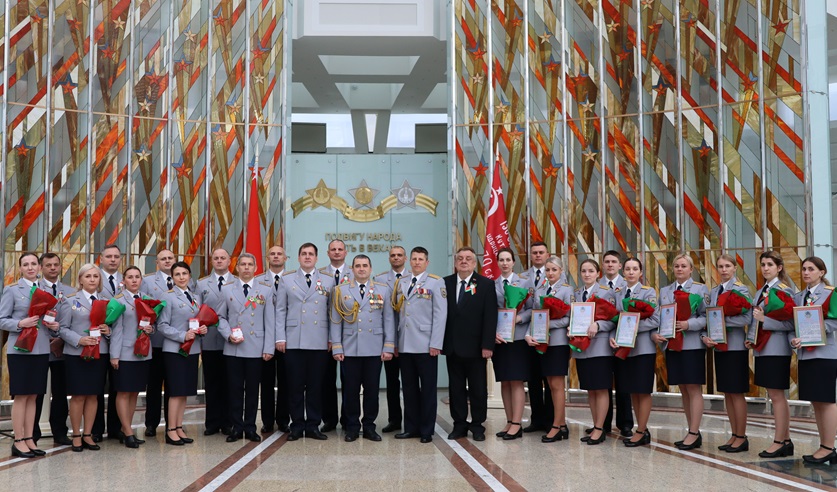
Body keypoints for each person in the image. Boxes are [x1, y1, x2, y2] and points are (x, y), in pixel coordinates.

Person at [0, 253, 60, 458]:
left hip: (41, 348)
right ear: (20, 269)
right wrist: (20, 323)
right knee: (21, 395)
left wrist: (54, 326)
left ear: (39, 267)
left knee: (34, 395)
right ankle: (18, 440)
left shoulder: (46, 290)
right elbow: (2, 319)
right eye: (26, 264)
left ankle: (29, 438)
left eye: (34, 263)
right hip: (20, 349)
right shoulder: (12, 290)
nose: (30, 267)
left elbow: (49, 318)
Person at [330, 254, 395, 442]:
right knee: (350, 391)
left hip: (374, 349)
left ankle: (369, 426)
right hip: (350, 348)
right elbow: (336, 321)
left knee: (372, 391)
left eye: (365, 265)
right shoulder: (340, 290)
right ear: (352, 269)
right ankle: (351, 427)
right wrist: (337, 347)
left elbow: (388, 320)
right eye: (357, 266)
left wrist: (388, 346)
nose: (361, 269)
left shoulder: (383, 289)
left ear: (370, 268)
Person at [276, 243, 335, 441]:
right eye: (304, 254)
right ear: (298, 257)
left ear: (317, 258)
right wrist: (280, 337)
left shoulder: (328, 279)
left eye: (311, 254)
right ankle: (297, 425)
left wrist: (332, 338)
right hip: (294, 340)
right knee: (294, 386)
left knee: (315, 386)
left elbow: (332, 312)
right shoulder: (287, 279)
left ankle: (313, 425)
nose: (307, 257)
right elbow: (280, 310)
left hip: (319, 340)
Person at [652, 254, 709, 450]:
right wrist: (658, 334)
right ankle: (692, 431)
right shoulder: (665, 291)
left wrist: (688, 324)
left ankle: (694, 431)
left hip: (692, 345)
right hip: (673, 345)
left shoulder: (700, 289)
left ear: (691, 269)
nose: (679, 269)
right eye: (676, 266)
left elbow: (707, 317)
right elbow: (660, 317)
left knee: (693, 388)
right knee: (683, 388)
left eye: (684, 266)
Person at [217, 253, 275, 443]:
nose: (247, 267)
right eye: (243, 264)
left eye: (250, 264)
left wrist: (269, 348)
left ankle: (250, 427)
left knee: (252, 390)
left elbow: (270, 321)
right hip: (233, 346)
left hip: (255, 347)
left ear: (256, 267)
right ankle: (236, 427)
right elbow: (220, 317)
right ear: (237, 267)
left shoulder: (265, 290)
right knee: (234, 389)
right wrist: (228, 334)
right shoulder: (227, 289)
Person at [443, 247, 497, 442]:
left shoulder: (485, 284)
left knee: (478, 389)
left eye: (468, 259)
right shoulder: (446, 283)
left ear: (474, 263)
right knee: (456, 389)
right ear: (455, 263)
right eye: (460, 258)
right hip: (452, 347)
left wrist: (487, 345)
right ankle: (459, 424)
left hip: (476, 348)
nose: (463, 261)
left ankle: (477, 425)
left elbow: (490, 316)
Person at [700, 254, 753, 453]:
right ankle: (734, 433)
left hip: (735, 347)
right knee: (727, 393)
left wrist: (721, 321)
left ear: (734, 268)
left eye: (727, 266)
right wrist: (706, 335)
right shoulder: (714, 292)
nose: (723, 270)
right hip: (719, 346)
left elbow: (746, 318)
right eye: (720, 266)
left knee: (736, 392)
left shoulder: (741, 289)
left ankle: (742, 436)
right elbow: (708, 317)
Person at [745, 250, 795, 458]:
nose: (765, 268)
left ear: (779, 268)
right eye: (763, 264)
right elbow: (756, 320)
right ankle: (787, 440)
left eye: (770, 265)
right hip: (762, 349)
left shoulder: (784, 291)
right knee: (772, 394)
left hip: (777, 349)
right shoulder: (760, 291)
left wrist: (766, 320)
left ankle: (779, 441)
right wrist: (751, 337)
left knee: (777, 395)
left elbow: (791, 323)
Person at [394, 246, 446, 443]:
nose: (417, 262)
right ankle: (411, 427)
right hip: (405, 343)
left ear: (427, 262)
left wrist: (436, 343)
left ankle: (426, 430)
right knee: (409, 389)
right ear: (410, 261)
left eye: (420, 259)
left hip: (426, 345)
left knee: (428, 390)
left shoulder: (435, 282)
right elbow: (398, 313)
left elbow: (440, 315)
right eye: (414, 259)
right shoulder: (402, 282)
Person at [57, 263, 112, 452]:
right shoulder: (70, 300)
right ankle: (76, 434)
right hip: (77, 354)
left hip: (99, 353)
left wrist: (108, 331)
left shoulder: (106, 301)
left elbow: (113, 327)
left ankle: (88, 434)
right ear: (80, 279)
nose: (92, 279)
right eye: (88, 276)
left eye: (95, 276)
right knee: (79, 395)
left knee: (93, 395)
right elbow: (62, 329)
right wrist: (79, 339)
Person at [790, 256, 837, 464]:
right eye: (804, 269)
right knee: (816, 401)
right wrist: (794, 340)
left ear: (821, 272)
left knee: (826, 400)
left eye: (811, 269)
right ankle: (824, 445)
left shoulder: (831, 293)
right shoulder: (799, 297)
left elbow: (834, 322)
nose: (806, 272)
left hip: (825, 354)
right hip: (806, 354)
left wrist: (813, 329)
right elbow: (794, 325)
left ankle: (829, 447)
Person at [608, 258, 659, 447]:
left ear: (640, 273)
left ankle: (641, 430)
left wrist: (632, 327)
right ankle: (641, 428)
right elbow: (614, 320)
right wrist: (612, 336)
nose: (631, 272)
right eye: (628, 269)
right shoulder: (618, 294)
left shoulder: (648, 292)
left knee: (643, 390)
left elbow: (655, 320)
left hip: (643, 348)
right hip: (624, 348)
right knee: (633, 391)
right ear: (623, 272)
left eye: (635, 269)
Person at [157, 261, 207, 445]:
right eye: (177, 274)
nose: (181, 277)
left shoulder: (195, 297)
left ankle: (179, 426)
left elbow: (197, 320)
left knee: (184, 392)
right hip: (175, 350)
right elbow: (162, 325)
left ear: (189, 275)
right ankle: (170, 429)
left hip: (191, 349)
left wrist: (202, 330)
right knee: (176, 391)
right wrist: (182, 335)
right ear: (172, 278)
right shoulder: (167, 296)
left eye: (184, 273)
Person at [525, 255, 573, 443]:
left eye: (554, 269)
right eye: (548, 270)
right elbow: (535, 315)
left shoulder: (567, 290)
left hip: (559, 343)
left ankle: (557, 425)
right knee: (550, 385)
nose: (550, 273)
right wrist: (528, 333)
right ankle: (561, 424)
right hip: (542, 341)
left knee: (557, 385)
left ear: (561, 271)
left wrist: (547, 324)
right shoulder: (540, 290)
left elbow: (569, 318)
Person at [32, 252, 76, 446]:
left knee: (60, 392)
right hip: (38, 347)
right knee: (36, 392)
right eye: (48, 265)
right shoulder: (34, 289)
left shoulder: (70, 291)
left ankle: (60, 431)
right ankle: (32, 433)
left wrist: (60, 340)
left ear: (60, 267)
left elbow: (74, 321)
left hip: (61, 348)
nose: (52, 268)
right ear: (41, 268)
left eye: (55, 265)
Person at [109, 266, 153, 448]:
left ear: (141, 280)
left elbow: (153, 324)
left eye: (137, 277)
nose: (134, 280)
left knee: (135, 391)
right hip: (125, 352)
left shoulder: (148, 299)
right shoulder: (118, 300)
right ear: (124, 281)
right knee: (123, 391)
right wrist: (115, 355)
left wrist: (151, 328)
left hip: (143, 352)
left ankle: (126, 428)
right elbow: (116, 330)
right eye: (130, 277)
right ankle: (127, 432)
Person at [492, 248, 533, 441]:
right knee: (505, 380)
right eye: (501, 260)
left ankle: (517, 423)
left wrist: (519, 318)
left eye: (508, 259)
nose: (505, 263)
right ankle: (509, 421)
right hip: (500, 338)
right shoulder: (492, 284)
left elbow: (533, 309)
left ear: (513, 262)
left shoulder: (524, 282)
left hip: (518, 337)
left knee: (516, 380)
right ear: (498, 262)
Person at [196, 248, 235, 436]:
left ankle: (228, 422)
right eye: (216, 258)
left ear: (229, 261)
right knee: (211, 383)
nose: (219, 261)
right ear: (212, 261)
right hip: (209, 339)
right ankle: (212, 423)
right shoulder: (202, 284)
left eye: (223, 258)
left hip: (231, 341)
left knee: (230, 382)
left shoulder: (237, 282)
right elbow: (196, 311)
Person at [598, 250, 634, 437]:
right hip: (601, 342)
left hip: (622, 342)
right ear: (602, 265)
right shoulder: (596, 286)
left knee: (623, 382)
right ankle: (602, 424)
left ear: (620, 266)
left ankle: (625, 423)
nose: (610, 264)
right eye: (607, 262)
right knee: (603, 384)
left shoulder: (628, 285)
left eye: (613, 261)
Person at [141, 249, 176, 436]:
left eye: (170, 258)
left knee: (173, 385)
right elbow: (143, 309)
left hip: (176, 341)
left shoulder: (184, 278)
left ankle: (173, 423)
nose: (167, 261)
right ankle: (151, 424)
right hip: (154, 341)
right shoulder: (147, 281)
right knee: (153, 385)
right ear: (157, 262)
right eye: (163, 259)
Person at [319, 239, 352, 432]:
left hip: (349, 335)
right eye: (333, 249)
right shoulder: (319, 275)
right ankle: (329, 419)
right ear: (328, 253)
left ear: (346, 252)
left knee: (349, 381)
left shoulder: (355, 273)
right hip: (324, 336)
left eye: (340, 249)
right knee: (326, 380)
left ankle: (348, 419)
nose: (337, 252)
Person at [374, 246, 408, 433]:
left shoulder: (413, 278)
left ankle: (412, 421)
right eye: (393, 255)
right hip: (388, 341)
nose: (396, 258)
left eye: (399, 255)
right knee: (392, 383)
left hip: (410, 341)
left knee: (411, 384)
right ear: (389, 258)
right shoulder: (379, 280)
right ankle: (394, 420)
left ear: (405, 258)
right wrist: (390, 342)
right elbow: (380, 313)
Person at [520, 241, 553, 433]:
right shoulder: (522, 277)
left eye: (541, 252)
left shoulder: (557, 275)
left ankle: (551, 420)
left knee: (549, 380)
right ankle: (536, 419)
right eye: (534, 252)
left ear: (547, 254)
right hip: (529, 334)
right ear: (530, 255)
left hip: (549, 336)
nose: (538, 255)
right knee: (533, 380)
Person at [94, 244, 124, 442]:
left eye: (116, 256)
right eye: (109, 256)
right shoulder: (94, 277)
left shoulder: (126, 279)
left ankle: (115, 428)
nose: (113, 260)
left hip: (121, 343)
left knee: (118, 386)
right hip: (98, 342)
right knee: (97, 386)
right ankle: (96, 429)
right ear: (101, 258)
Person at [259, 245, 290, 433]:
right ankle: (267, 421)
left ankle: (284, 420)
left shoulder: (293, 280)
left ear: (285, 258)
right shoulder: (257, 281)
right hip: (265, 340)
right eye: (272, 254)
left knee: (286, 381)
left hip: (288, 339)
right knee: (266, 382)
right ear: (267, 257)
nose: (276, 256)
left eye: (280, 254)